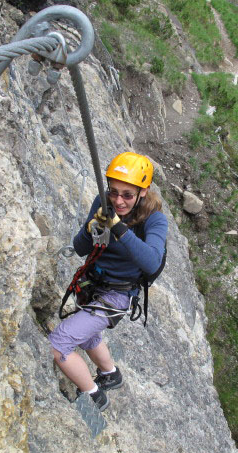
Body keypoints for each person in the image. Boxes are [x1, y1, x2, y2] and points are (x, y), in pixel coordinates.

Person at [49, 152, 168, 411]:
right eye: (113, 192)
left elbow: (152, 262)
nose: (118, 200)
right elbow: (81, 248)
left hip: (118, 294)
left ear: (143, 191)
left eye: (127, 194)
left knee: (59, 344)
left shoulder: (154, 219)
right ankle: (110, 373)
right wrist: (93, 226)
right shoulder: (103, 204)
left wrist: (118, 228)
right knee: (87, 334)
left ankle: (94, 396)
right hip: (93, 284)